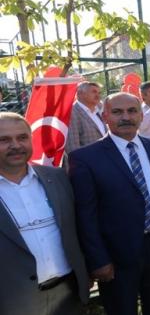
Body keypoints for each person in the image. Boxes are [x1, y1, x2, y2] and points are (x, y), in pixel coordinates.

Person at [68, 92, 150, 315]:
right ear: (105, 116)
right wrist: (98, 260)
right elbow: (85, 215)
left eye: (132, 111)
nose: (126, 117)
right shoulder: (85, 158)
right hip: (116, 253)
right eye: (117, 112)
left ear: (141, 116)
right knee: (122, 309)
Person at [0, 113, 89, 314]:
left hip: (68, 293)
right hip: (13, 301)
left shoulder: (57, 177)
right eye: (4, 140)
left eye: (22, 137)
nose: (15, 145)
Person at [65, 81, 106, 154]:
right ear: (80, 94)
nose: (98, 95)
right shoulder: (71, 113)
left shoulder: (100, 109)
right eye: (94, 92)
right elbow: (72, 147)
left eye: (99, 93)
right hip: (88, 159)